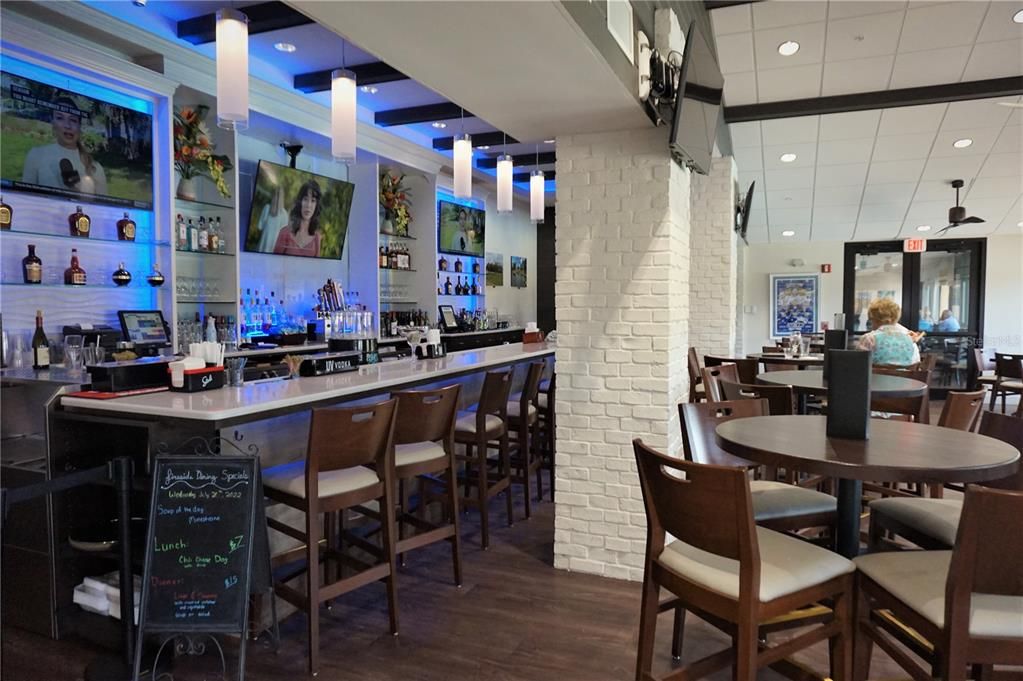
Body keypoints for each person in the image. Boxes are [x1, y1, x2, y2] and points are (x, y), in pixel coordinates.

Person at [21, 95, 108, 196]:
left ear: (79, 125)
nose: (67, 125)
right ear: (52, 121)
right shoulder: (36, 155)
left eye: (73, 120)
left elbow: (102, 205)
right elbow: (25, 198)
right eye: (60, 118)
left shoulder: (96, 168)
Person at [260, 179, 323, 258]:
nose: (308, 205)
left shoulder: (317, 237)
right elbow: (274, 262)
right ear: (300, 202)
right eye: (305, 199)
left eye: (313, 201)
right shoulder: (284, 232)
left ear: (316, 205)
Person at [856, 298, 922, 366]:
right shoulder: (909, 339)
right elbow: (915, 363)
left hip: (876, 373)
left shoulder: (869, 338)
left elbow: (859, 363)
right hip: (904, 373)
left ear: (874, 319)